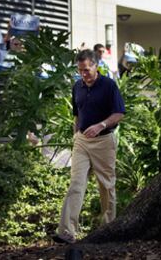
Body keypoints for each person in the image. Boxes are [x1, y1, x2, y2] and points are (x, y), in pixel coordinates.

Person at [53, 49, 125, 244]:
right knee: (76, 183)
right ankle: (67, 232)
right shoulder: (77, 86)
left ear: (96, 66)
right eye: (80, 71)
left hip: (104, 141)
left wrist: (101, 124)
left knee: (106, 186)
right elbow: (77, 114)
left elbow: (119, 113)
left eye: (87, 69)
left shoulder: (109, 85)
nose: (84, 74)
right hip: (82, 142)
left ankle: (108, 230)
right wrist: (76, 134)